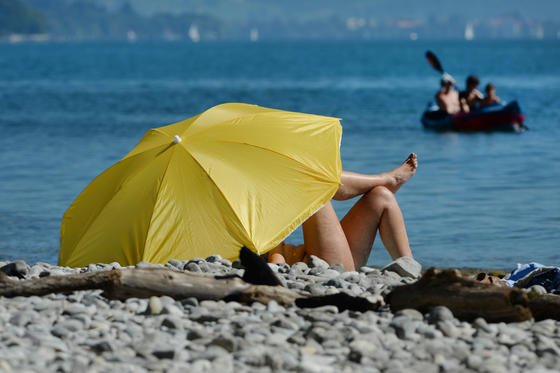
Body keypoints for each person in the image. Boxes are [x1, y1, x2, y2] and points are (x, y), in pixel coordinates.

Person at [268, 153, 418, 271]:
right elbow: (273, 259)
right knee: (311, 182)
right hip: (321, 265)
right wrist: (279, 267)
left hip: (316, 255)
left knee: (381, 196)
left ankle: (411, 271)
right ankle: (383, 179)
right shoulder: (247, 195)